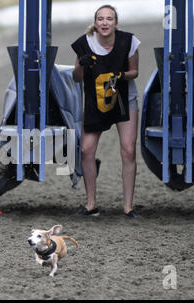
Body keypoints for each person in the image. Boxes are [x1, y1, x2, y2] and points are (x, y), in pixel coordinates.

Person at [71, 4, 141, 218]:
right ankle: (91, 203)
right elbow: (77, 78)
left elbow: (135, 72)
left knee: (128, 150)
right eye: (100, 19)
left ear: (116, 23)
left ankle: (128, 207)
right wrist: (81, 65)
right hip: (96, 100)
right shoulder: (84, 43)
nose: (104, 23)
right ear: (95, 23)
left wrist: (120, 75)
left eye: (109, 19)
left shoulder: (129, 41)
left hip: (123, 98)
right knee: (86, 150)